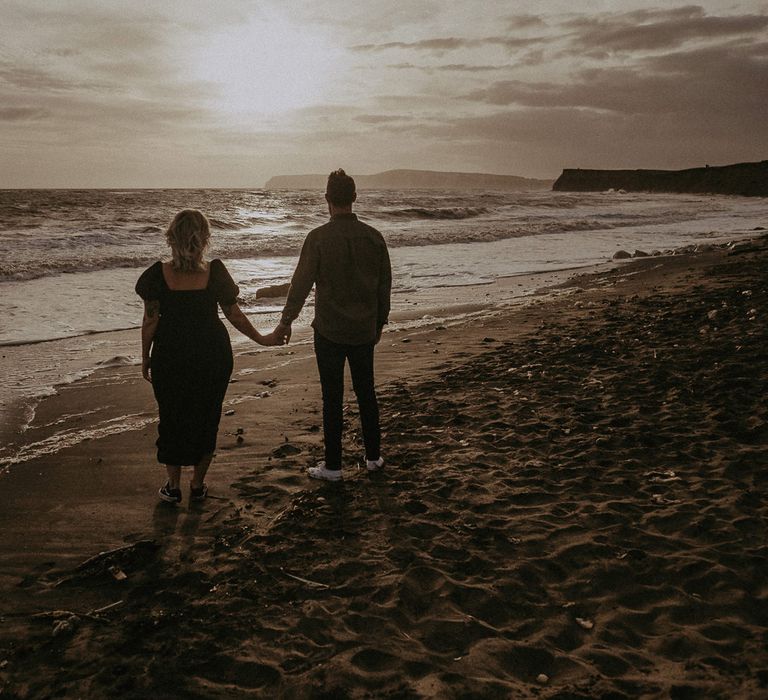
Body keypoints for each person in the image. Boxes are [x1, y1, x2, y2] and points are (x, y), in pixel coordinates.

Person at [135, 209, 276, 504]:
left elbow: (150, 321)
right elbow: (234, 315)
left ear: (171, 238)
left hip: (170, 356)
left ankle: (173, 487)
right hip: (212, 355)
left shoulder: (157, 275)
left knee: (171, 417)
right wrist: (261, 338)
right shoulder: (215, 273)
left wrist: (145, 357)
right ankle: (197, 486)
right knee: (207, 417)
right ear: (205, 239)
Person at [273, 169, 392, 481]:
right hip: (364, 329)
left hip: (329, 330)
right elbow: (384, 287)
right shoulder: (374, 237)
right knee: (367, 393)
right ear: (354, 198)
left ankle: (334, 466)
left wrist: (286, 321)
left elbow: (300, 286)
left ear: (327, 199)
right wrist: (379, 322)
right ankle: (373, 457)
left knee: (332, 397)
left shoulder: (318, 239)